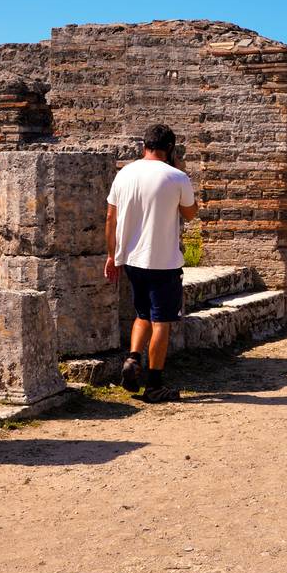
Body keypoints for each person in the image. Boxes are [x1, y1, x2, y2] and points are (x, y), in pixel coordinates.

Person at [104, 124, 199, 403]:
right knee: (162, 322)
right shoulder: (176, 176)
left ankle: (133, 359)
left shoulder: (124, 174)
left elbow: (111, 219)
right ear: (170, 148)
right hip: (163, 261)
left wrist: (113, 256)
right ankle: (155, 384)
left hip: (131, 259)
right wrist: (179, 171)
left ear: (143, 145)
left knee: (142, 315)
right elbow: (191, 214)